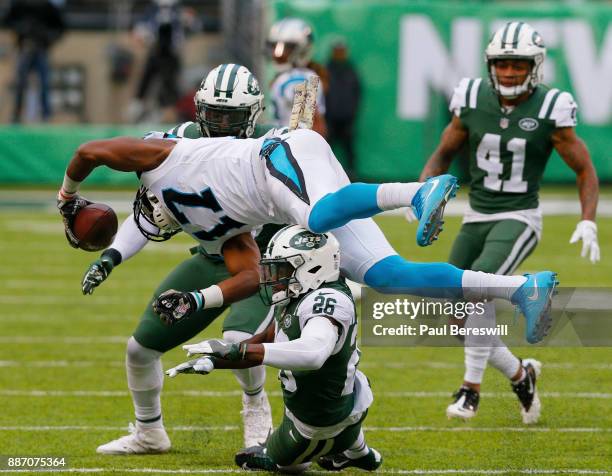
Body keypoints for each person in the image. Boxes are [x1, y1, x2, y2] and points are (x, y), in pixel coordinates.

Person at [57, 122, 559, 360]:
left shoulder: (161, 159)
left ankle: (416, 191)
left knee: (318, 214)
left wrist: (67, 198)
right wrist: (197, 299)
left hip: (282, 154)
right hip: (286, 192)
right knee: (389, 276)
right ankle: (521, 288)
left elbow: (88, 150)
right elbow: (251, 275)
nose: (152, 219)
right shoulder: (207, 227)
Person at [81, 65, 276, 454]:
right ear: (199, 110)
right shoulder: (175, 147)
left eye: (230, 117)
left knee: (239, 341)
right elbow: (147, 216)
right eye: (214, 115)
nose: (220, 126)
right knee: (139, 348)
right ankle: (149, 432)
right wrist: (112, 256)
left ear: (251, 116)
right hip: (211, 255)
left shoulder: (269, 153)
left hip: (263, 265)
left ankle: (256, 404)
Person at [419, 21, 599, 424]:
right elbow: (442, 152)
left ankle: (470, 390)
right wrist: (423, 192)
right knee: (455, 314)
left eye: (518, 64)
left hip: (519, 216)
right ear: (490, 64)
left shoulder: (552, 107)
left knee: (478, 287)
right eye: (501, 64)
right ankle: (522, 374)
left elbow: (585, 169)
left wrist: (588, 220)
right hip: (475, 214)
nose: (509, 72)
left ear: (534, 66)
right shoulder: (469, 98)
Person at [165, 225, 383, 473]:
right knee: (332, 413)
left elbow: (313, 353)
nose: (272, 276)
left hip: (318, 421)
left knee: (281, 463)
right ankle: (361, 453)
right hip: (347, 402)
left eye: (283, 268)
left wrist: (240, 352)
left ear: (312, 266)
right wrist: (215, 359)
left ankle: (330, 448)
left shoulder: (325, 301)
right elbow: (265, 340)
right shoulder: (300, 293)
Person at [3, 0, 65, 123]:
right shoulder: (19, 4)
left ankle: (46, 116)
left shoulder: (47, 6)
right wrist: (21, 29)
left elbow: (60, 27)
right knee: (20, 83)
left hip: (41, 49)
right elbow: (7, 21)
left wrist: (47, 38)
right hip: (24, 48)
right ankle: (16, 115)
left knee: (44, 83)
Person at [267, 17, 327, 137]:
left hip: (292, 146)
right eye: (275, 46)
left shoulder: (297, 79)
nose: (278, 53)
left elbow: (315, 125)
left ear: (303, 48)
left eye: (287, 48)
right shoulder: (294, 76)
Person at [325, 40, 361, 179]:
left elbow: (357, 92)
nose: (340, 54)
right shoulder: (326, 70)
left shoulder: (351, 70)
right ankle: (326, 176)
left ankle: (352, 178)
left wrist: (351, 111)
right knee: (326, 149)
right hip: (330, 119)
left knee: (349, 151)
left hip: (347, 119)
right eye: (337, 50)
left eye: (342, 50)